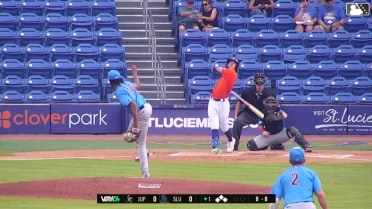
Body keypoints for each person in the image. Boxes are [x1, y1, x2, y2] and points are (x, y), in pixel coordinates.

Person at [108, 65, 152, 178]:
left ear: (111, 82)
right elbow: (138, 85)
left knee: (140, 143)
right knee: (129, 134)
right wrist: (135, 74)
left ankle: (145, 173)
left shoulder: (119, 91)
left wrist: (136, 126)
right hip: (145, 108)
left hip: (141, 111)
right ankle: (145, 153)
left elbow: (133, 105)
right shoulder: (126, 83)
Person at [232, 73, 283, 151]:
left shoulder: (270, 93)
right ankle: (234, 145)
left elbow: (275, 106)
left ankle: (276, 144)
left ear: (264, 82)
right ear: (255, 82)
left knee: (274, 121)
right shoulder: (247, 92)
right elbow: (239, 103)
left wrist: (273, 116)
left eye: (261, 83)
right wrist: (236, 116)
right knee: (238, 122)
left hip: (264, 114)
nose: (259, 86)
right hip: (249, 113)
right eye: (258, 83)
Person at [247, 96, 313, 152]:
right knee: (251, 145)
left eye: (272, 103)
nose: (270, 105)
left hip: (280, 134)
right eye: (268, 103)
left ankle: (306, 146)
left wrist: (277, 116)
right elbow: (260, 124)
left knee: (293, 130)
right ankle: (269, 145)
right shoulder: (262, 113)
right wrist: (263, 131)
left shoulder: (279, 111)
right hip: (269, 136)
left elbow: (285, 115)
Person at [209, 57, 238, 154]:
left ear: (235, 66)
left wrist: (215, 65)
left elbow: (219, 69)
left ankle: (231, 140)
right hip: (212, 102)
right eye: (230, 62)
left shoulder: (232, 73)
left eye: (234, 63)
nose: (231, 64)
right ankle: (215, 147)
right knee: (214, 125)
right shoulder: (225, 76)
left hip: (223, 104)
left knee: (224, 126)